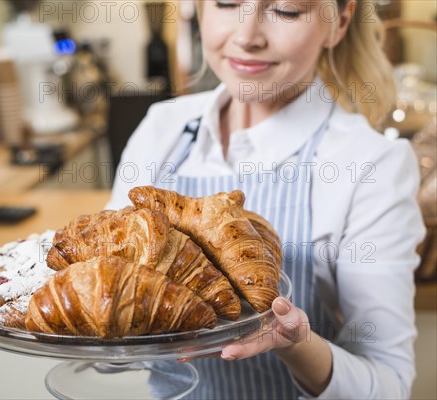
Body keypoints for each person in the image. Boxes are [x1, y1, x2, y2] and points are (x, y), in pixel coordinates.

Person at [105, 0, 426, 398]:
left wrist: (296, 345)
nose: (246, 36)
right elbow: (110, 310)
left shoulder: (369, 165)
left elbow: (388, 385)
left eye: (287, 10)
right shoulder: (162, 129)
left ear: (338, 24)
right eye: (226, 3)